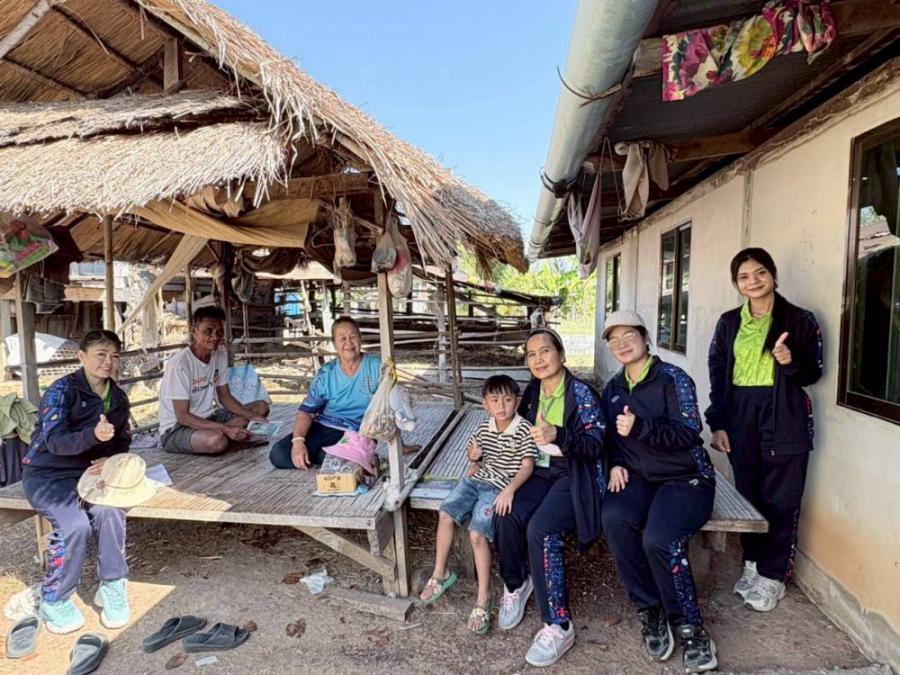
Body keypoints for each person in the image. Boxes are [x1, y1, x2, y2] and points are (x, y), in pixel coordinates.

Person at [599, 310, 718, 674]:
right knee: (614, 518)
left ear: (646, 337)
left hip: (685, 477)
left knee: (659, 539)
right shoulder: (614, 388)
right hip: (639, 477)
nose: (622, 344)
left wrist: (641, 428)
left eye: (629, 336)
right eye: (614, 340)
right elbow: (610, 438)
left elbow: (689, 432)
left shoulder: (673, 378)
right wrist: (615, 462)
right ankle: (650, 609)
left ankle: (690, 626)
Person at [707, 248, 823, 612]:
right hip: (741, 414)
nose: (753, 281)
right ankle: (753, 564)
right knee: (749, 493)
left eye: (759, 272)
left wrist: (790, 361)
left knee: (782, 498)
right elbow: (718, 373)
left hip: (784, 414)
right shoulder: (729, 322)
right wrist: (718, 422)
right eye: (743, 277)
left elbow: (813, 373)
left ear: (772, 274)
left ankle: (774, 576)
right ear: (736, 284)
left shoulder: (799, 319)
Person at [492, 327, 605, 668]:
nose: (538, 359)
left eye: (545, 351)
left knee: (540, 530)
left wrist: (561, 434)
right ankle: (517, 584)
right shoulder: (532, 392)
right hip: (538, 470)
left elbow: (597, 444)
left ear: (561, 354)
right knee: (505, 512)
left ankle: (558, 624)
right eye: (531, 354)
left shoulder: (582, 394)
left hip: (573, 473)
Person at [20, 330, 133, 633]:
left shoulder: (117, 398)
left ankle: (112, 584)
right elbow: (54, 441)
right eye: (100, 354)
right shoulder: (61, 391)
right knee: (75, 525)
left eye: (114, 356)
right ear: (81, 356)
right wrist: (92, 435)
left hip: (91, 473)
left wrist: (110, 459)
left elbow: (123, 440)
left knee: (111, 512)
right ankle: (54, 598)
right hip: (48, 474)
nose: (108, 362)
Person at [418, 375, 538, 634]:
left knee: (476, 533)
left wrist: (509, 490)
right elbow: (474, 456)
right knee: (445, 513)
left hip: (498, 488)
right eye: (495, 400)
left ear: (517, 401)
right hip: (476, 481)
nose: (502, 406)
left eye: (507, 400)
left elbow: (527, 466)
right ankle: (440, 573)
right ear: (485, 404)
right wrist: (473, 457)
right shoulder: (484, 427)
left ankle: (483, 598)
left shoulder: (523, 429)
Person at [271, 316, 405, 469]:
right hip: (324, 427)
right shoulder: (326, 373)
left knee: (338, 460)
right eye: (342, 338)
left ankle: (334, 457)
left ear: (360, 339)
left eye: (353, 337)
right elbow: (307, 411)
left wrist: (399, 445)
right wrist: (298, 441)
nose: (349, 343)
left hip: (358, 432)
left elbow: (392, 404)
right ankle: (329, 456)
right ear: (334, 344)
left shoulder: (377, 367)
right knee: (279, 454)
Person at [159, 306, 270, 455]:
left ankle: (229, 435)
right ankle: (229, 436)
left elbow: (225, 396)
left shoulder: (220, 356)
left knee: (261, 407)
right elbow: (182, 416)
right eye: (208, 331)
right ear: (194, 330)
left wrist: (252, 417)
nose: (215, 336)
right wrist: (225, 428)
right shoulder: (180, 364)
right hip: (177, 428)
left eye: (219, 331)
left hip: (209, 417)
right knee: (216, 441)